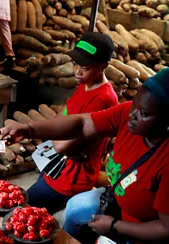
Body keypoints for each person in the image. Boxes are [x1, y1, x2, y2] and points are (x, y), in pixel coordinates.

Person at [0, 67, 169, 244]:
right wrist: (28, 129)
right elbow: (83, 123)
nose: (132, 115)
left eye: (144, 114)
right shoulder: (130, 114)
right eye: (134, 105)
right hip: (124, 205)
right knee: (76, 208)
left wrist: (115, 226)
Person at [27, 32, 118, 213]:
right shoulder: (85, 84)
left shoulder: (102, 99)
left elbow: (61, 145)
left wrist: (43, 132)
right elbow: (62, 116)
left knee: (26, 211)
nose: (77, 71)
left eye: (85, 67)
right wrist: (51, 131)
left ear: (103, 66)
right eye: (75, 64)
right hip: (58, 166)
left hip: (72, 177)